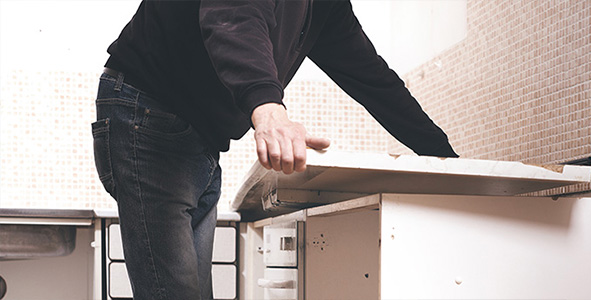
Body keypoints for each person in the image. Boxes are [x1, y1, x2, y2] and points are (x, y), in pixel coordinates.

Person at [91, 0, 458, 299]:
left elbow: (373, 79)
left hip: (196, 142)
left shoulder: (325, 8)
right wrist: (267, 108)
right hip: (148, 117)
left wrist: (447, 160)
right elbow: (232, 14)